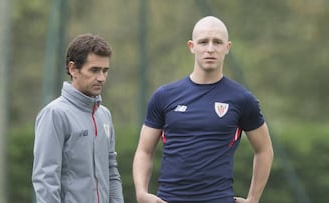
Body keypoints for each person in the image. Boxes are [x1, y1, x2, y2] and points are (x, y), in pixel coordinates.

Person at [132, 16, 274, 203]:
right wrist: (141, 193)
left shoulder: (242, 99)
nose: (210, 49)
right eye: (203, 42)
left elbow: (264, 150)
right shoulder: (165, 96)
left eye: (217, 42)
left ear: (227, 47)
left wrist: (253, 199)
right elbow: (144, 150)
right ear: (192, 46)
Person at [32, 33, 124, 203]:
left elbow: (111, 171)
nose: (101, 78)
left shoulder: (104, 115)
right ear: (73, 69)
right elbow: (46, 179)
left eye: (105, 71)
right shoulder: (54, 114)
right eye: (94, 70)